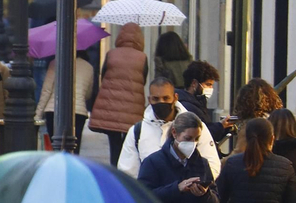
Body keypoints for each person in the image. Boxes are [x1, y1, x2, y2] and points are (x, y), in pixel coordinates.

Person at [115, 76, 220, 179]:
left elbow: (212, 165)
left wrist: (195, 185)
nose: (161, 102)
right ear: (149, 99)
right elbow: (127, 172)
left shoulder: (196, 127)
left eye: (166, 98)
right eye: (156, 99)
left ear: (175, 98)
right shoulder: (137, 132)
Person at [87, 25, 148, 165]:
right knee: (130, 142)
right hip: (132, 107)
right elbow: (143, 79)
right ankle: (125, 169)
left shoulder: (111, 53)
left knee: (114, 143)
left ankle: (115, 169)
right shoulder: (142, 57)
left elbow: (103, 75)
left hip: (111, 105)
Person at [33, 53, 95, 151]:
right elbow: (88, 93)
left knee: (55, 146)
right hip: (78, 112)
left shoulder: (55, 63)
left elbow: (47, 90)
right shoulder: (89, 67)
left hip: (54, 110)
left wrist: (38, 115)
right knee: (74, 148)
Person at [177, 60, 225, 142]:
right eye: (208, 84)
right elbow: (203, 133)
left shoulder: (198, 102)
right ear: (194, 84)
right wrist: (221, 126)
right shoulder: (188, 106)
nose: (210, 89)